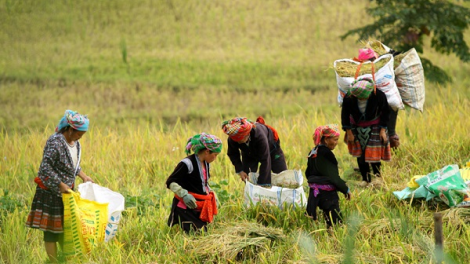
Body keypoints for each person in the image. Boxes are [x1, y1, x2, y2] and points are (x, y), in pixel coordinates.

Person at [25, 110, 93, 263]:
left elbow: (73, 165)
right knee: (51, 232)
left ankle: (65, 259)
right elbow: (45, 169)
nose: (80, 137)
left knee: (66, 228)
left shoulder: (76, 144)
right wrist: (60, 184)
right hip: (50, 193)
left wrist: (84, 176)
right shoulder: (55, 142)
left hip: (66, 194)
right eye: (78, 134)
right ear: (70, 129)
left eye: (82, 135)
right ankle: (54, 262)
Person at [166, 133, 222, 233]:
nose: (215, 158)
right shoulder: (187, 163)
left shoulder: (205, 163)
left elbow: (203, 183)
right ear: (207, 152)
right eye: (215, 155)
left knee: (205, 231)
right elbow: (170, 181)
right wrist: (184, 195)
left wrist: (211, 193)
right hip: (185, 206)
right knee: (199, 233)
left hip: (198, 205)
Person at [341, 78, 391, 186]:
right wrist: (349, 132)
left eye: (367, 96)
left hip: (375, 126)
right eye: (362, 97)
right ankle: (365, 179)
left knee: (374, 153)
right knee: (360, 154)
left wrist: (382, 130)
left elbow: (386, 112)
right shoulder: (349, 98)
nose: (366, 97)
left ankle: (377, 178)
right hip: (356, 127)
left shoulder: (378, 95)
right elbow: (345, 115)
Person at [305, 124, 352, 228]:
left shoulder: (313, 152)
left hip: (314, 193)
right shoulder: (327, 154)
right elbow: (334, 177)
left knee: (327, 217)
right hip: (327, 194)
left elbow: (307, 173)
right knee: (335, 222)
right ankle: (333, 237)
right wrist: (346, 189)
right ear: (326, 140)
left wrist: (315, 184)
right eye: (335, 140)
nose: (336, 143)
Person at [221, 116, 287, 186]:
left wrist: (262, 184)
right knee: (248, 178)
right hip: (248, 152)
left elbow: (265, 160)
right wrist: (240, 170)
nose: (239, 142)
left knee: (282, 176)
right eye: (237, 141)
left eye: (240, 140)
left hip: (271, 150)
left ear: (247, 135)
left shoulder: (259, 136)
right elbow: (232, 153)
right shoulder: (234, 137)